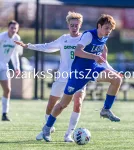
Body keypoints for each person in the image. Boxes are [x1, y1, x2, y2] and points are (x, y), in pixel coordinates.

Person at [15, 12, 117, 142]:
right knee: (53, 104)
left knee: (78, 104)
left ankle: (69, 134)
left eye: (77, 25)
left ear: (80, 25)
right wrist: (29, 46)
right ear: (68, 26)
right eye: (72, 25)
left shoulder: (86, 38)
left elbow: (102, 52)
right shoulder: (64, 39)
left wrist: (110, 69)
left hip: (79, 75)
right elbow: (47, 47)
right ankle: (47, 128)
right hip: (63, 77)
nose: (74, 28)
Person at [41, 14, 122, 142]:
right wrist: (94, 56)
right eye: (106, 28)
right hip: (78, 73)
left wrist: (113, 71)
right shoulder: (89, 35)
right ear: (99, 26)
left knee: (116, 79)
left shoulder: (104, 38)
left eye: (110, 30)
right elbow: (78, 51)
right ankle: (47, 127)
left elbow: (103, 60)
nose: (108, 32)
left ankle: (105, 110)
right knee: (63, 104)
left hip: (93, 69)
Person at [0, 20, 21, 121]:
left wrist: (17, 67)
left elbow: (14, 54)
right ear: (8, 28)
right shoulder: (2, 37)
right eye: (11, 28)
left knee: (7, 90)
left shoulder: (16, 38)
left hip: (4, 67)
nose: (13, 30)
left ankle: (4, 114)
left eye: (15, 28)